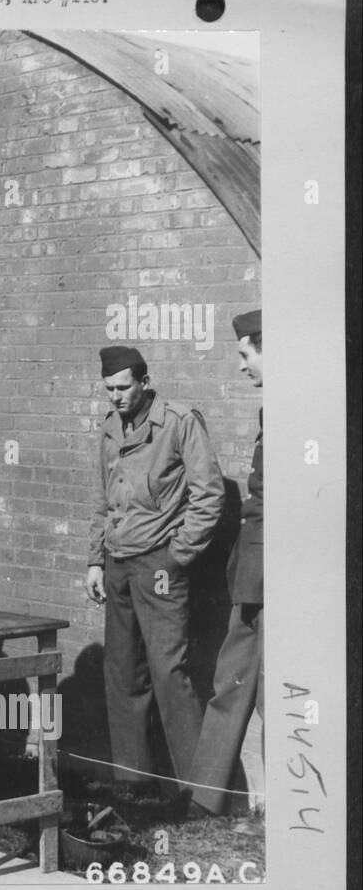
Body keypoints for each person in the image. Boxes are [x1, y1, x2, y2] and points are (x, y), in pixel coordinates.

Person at [85, 345, 225, 806]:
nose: (116, 397)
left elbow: (209, 495)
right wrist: (94, 561)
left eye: (124, 387)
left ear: (145, 382)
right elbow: (102, 500)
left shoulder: (180, 422)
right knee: (123, 672)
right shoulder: (109, 427)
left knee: (170, 673)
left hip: (160, 564)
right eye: (109, 389)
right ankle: (133, 780)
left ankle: (196, 791)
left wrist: (177, 556)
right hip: (119, 562)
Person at [188, 310, 264, 825]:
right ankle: (204, 800)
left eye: (246, 354)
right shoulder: (276, 409)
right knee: (231, 686)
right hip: (256, 575)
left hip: (275, 577)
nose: (241, 366)